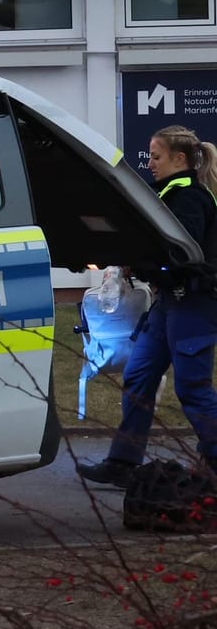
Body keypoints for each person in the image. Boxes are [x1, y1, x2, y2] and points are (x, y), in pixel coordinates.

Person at [78, 125, 217, 489]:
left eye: (156, 157)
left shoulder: (190, 199)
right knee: (139, 376)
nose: (150, 163)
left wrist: (138, 265)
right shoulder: (165, 194)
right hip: (168, 305)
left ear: (179, 159)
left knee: (192, 389)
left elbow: (180, 258)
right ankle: (123, 463)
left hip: (194, 305)